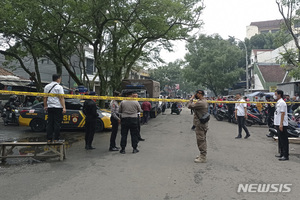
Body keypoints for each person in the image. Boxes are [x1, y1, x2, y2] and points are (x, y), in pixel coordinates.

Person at [187, 90, 209, 163]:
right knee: (202, 139)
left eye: (196, 93)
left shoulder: (201, 102)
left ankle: (203, 157)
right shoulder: (203, 101)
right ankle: (202, 155)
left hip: (200, 124)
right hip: (202, 124)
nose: (195, 94)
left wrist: (191, 99)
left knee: (200, 140)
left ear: (200, 94)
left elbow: (189, 106)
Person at [44, 74, 66, 143]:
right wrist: (64, 107)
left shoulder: (47, 86)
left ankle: (49, 139)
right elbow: (61, 98)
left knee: (49, 123)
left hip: (50, 107)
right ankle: (56, 139)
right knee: (57, 123)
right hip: (57, 107)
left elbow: (45, 98)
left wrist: (45, 106)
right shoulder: (59, 87)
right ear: (58, 79)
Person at [274, 90, 289, 161]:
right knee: (280, 139)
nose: (275, 95)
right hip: (278, 123)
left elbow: (283, 113)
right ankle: (281, 153)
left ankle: (286, 155)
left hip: (282, 124)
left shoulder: (282, 103)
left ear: (279, 95)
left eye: (276, 94)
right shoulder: (278, 102)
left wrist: (281, 124)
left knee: (284, 140)